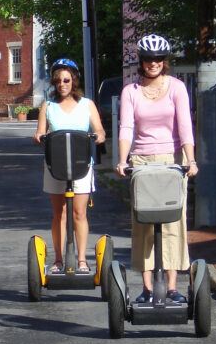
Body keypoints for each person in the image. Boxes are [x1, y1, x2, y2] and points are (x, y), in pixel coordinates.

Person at [115, 34, 198, 303]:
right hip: (141, 161)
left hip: (172, 161)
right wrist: (122, 160)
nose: (154, 63)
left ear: (165, 61)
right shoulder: (131, 91)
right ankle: (147, 288)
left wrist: (190, 160)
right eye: (149, 59)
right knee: (143, 225)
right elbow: (126, 127)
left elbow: (185, 125)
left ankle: (172, 287)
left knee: (174, 222)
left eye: (159, 59)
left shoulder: (176, 88)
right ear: (141, 60)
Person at [32, 58, 106, 272]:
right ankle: (58, 260)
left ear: (74, 81)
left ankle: (82, 260)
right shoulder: (48, 106)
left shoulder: (87, 104)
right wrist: (38, 137)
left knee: (79, 214)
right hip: (55, 165)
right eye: (58, 81)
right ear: (54, 83)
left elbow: (99, 130)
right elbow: (39, 132)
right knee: (60, 214)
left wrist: (99, 136)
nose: (62, 84)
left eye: (66, 80)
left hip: (81, 165)